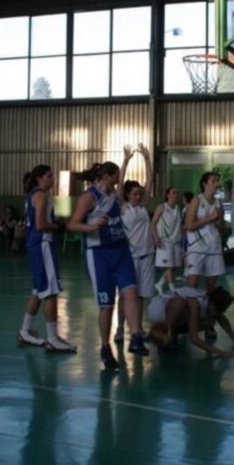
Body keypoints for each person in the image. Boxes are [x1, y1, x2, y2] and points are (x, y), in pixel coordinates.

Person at [67, 159, 149, 371]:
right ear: (107, 176)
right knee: (107, 306)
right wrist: (93, 226)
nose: (119, 180)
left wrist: (134, 158)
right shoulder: (89, 198)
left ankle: (136, 337)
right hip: (99, 255)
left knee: (131, 292)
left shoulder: (115, 195)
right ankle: (105, 347)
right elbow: (73, 224)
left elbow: (135, 186)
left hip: (121, 251)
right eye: (116, 176)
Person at [17, 165, 77, 353]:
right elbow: (41, 224)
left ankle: (25, 330)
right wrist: (59, 227)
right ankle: (52, 338)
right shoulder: (41, 196)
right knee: (50, 292)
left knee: (38, 290)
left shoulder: (33, 195)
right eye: (49, 176)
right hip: (43, 245)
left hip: (36, 246)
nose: (53, 179)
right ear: (39, 178)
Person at [115, 143, 154, 343]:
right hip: (128, 257)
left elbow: (149, 181)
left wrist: (147, 159)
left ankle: (137, 329)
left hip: (146, 256)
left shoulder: (143, 206)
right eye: (135, 194)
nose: (138, 196)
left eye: (140, 194)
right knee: (125, 296)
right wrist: (126, 160)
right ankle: (120, 328)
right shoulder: (124, 207)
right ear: (128, 196)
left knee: (140, 296)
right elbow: (120, 184)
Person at [147, 286, 234, 357]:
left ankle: (171, 334)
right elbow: (194, 338)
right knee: (180, 303)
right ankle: (166, 334)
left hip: (170, 312)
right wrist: (220, 353)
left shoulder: (210, 303)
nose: (222, 312)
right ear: (213, 304)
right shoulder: (196, 304)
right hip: (158, 311)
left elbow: (222, 318)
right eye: (221, 309)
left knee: (210, 322)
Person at [184, 173, 226, 292]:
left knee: (211, 288)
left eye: (217, 181)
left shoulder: (218, 203)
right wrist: (209, 218)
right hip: (197, 247)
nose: (217, 184)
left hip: (214, 247)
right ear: (204, 184)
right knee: (193, 284)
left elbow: (222, 229)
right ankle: (191, 309)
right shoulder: (197, 200)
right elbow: (189, 226)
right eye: (213, 181)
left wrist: (219, 222)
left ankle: (210, 309)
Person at [151, 187, 182, 295]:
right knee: (169, 267)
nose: (176, 195)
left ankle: (159, 284)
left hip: (176, 242)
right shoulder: (161, 207)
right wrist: (155, 238)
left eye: (177, 193)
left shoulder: (178, 208)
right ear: (167, 195)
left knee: (174, 267)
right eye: (173, 193)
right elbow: (153, 223)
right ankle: (173, 291)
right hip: (165, 241)